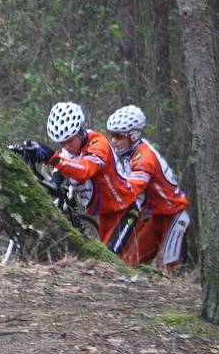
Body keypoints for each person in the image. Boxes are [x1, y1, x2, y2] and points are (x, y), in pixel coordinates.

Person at [24, 102, 139, 255]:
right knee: (104, 260)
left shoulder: (99, 145)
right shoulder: (70, 149)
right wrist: (54, 182)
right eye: (61, 143)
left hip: (126, 210)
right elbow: (62, 167)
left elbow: (84, 171)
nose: (66, 147)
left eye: (69, 141)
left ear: (79, 132)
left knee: (110, 260)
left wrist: (51, 156)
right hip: (105, 215)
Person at [106, 105, 189, 271]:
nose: (113, 140)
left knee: (165, 271)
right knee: (131, 264)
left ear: (133, 135)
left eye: (118, 136)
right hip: (156, 218)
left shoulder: (144, 158)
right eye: (112, 135)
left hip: (174, 217)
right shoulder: (130, 154)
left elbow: (130, 191)